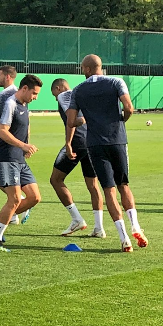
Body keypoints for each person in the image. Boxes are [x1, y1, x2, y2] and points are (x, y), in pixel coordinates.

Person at [66, 54, 148, 252]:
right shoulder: (116, 82)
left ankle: (124, 238)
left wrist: (85, 120)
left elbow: (71, 121)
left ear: (87, 69)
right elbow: (129, 108)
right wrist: (120, 121)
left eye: (82, 68)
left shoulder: (78, 90)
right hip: (117, 140)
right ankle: (135, 226)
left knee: (109, 190)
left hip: (95, 144)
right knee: (124, 186)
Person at [0, 74, 43, 252]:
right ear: (24, 88)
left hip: (19, 158)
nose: (35, 97)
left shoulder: (24, 105)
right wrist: (23, 145)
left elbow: (26, 127)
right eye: (34, 93)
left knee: (34, 197)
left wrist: (26, 146)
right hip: (7, 157)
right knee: (15, 199)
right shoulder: (10, 103)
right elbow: (2, 131)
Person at [49, 78, 105, 238]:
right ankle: (99, 228)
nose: (56, 99)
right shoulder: (81, 94)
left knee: (55, 180)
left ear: (58, 88)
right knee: (93, 185)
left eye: (54, 95)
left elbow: (71, 120)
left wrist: (68, 143)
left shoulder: (64, 96)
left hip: (77, 142)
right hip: (91, 141)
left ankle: (77, 219)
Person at [0, 65, 29, 225]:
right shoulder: (22, 93)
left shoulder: (3, 95)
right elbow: (26, 122)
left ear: (7, 77)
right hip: (18, 145)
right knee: (2, 180)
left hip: (6, 146)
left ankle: (19, 203)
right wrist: (25, 144)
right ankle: (15, 211)